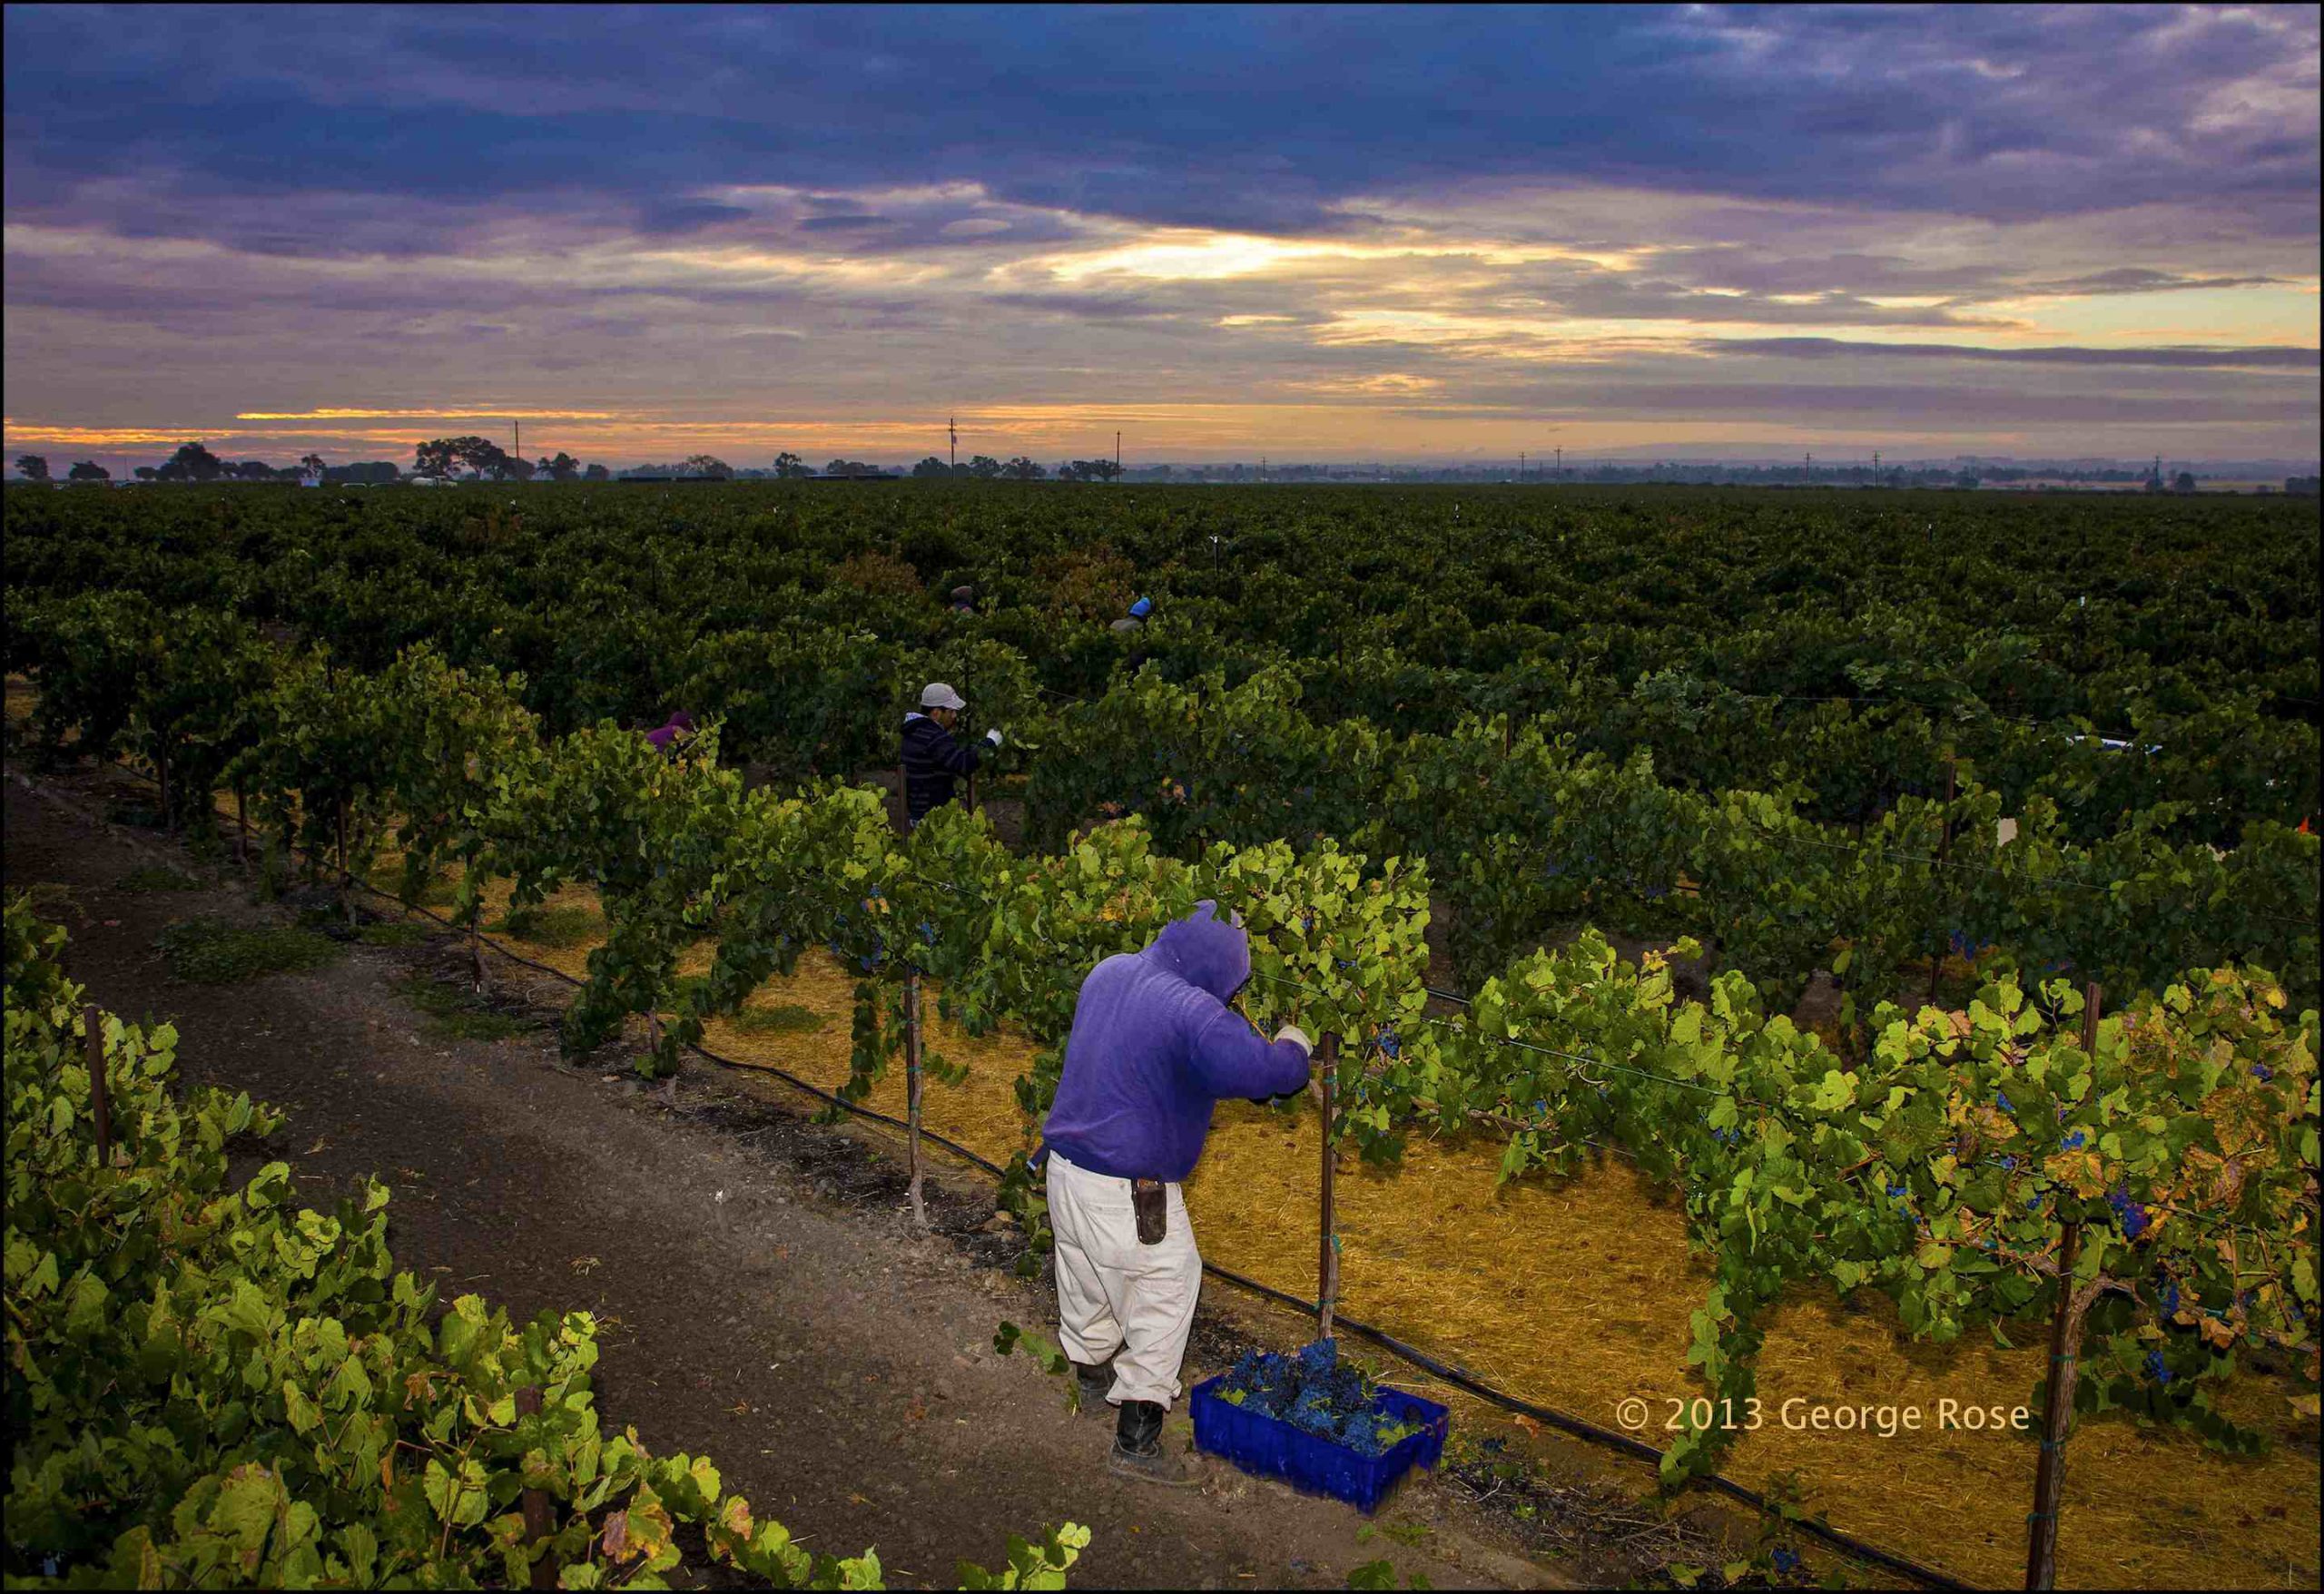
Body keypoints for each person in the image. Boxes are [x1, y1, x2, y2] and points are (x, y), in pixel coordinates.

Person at [1040, 900, 1314, 1485]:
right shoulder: (1193, 1013)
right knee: (1166, 1289)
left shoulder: (1109, 970)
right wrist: (1294, 1048)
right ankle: (1137, 1442)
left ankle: (1089, 1381)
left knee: (1086, 1279)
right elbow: (1266, 1073)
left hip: (1064, 1170)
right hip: (1129, 1193)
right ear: (1221, 968)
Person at [901, 683, 1001, 829]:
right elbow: (964, 764)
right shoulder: (933, 736)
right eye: (951, 711)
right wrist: (989, 743)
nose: (955, 716)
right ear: (936, 713)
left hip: (917, 811)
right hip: (933, 817)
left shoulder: (913, 732)